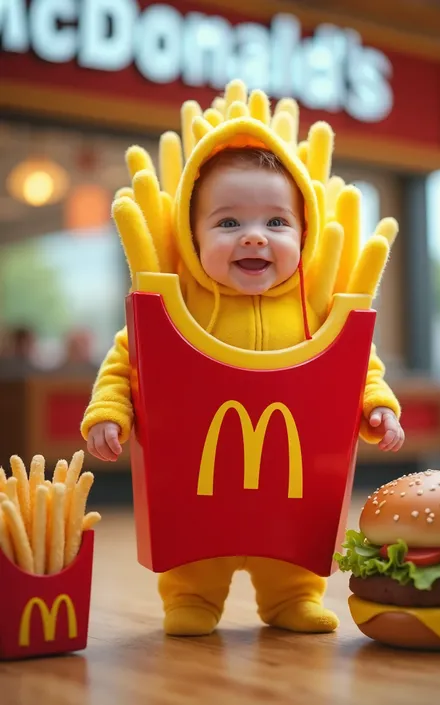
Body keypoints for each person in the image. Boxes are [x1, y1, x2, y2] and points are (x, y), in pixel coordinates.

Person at [80, 81, 404, 637]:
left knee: (293, 533)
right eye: (228, 223)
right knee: (194, 534)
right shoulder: (180, 305)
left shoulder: (315, 309)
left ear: (304, 235)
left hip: (291, 467)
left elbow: (359, 366)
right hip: (199, 465)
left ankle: (291, 599)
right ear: (191, 235)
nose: (253, 237)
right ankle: (191, 599)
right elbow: (128, 360)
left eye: (276, 223)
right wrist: (109, 412)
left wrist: (378, 408)